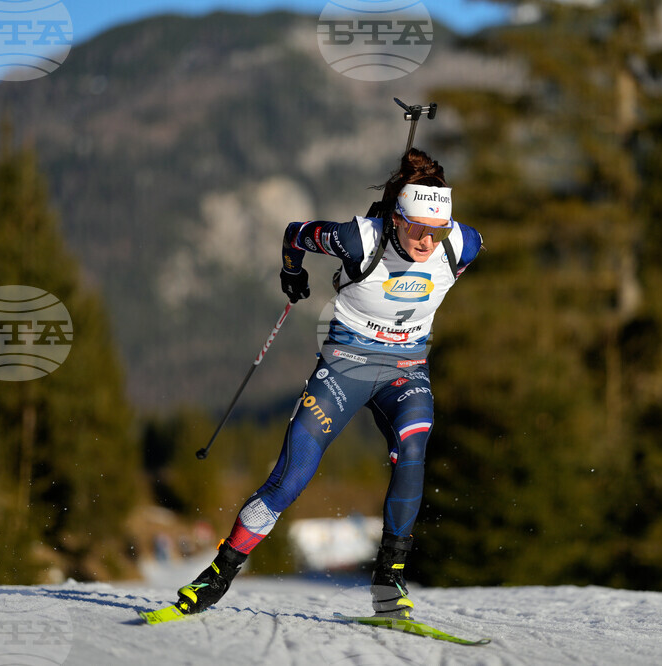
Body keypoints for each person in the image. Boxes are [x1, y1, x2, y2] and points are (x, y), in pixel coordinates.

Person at [175, 148, 483, 618]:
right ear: (397, 218)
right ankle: (217, 575)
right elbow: (294, 234)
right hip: (344, 368)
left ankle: (389, 580)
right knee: (290, 477)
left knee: (413, 453)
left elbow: (445, 258)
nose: (426, 241)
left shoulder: (463, 244)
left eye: (435, 230)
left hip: (406, 372)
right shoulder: (358, 240)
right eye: (417, 227)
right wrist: (291, 270)